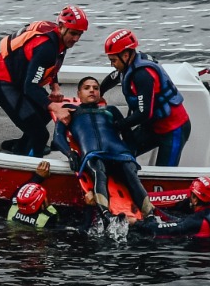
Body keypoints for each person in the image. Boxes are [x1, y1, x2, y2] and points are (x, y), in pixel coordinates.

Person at [0, 5, 88, 157]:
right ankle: (31, 166)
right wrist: (56, 108)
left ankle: (20, 147)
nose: (76, 39)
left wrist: (54, 86)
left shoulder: (57, 37)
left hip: (20, 80)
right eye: (73, 33)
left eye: (80, 34)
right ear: (61, 27)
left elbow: (49, 64)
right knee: (40, 135)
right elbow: (30, 87)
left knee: (45, 113)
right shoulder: (47, 47)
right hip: (3, 84)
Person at [51, 76, 154, 218]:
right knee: (98, 170)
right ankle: (106, 216)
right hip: (93, 154)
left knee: (130, 173)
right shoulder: (70, 110)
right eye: (86, 88)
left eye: (96, 88)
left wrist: (132, 155)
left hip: (120, 153)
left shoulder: (111, 110)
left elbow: (128, 136)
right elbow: (57, 137)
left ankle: (150, 215)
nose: (92, 90)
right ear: (79, 93)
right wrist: (70, 154)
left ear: (100, 93)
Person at [99, 28, 192, 167]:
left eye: (113, 60)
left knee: (164, 173)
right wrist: (99, 93)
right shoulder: (128, 66)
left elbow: (144, 113)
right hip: (153, 127)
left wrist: (117, 126)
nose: (112, 64)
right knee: (120, 154)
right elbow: (113, 78)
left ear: (125, 55)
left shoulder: (142, 76)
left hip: (174, 129)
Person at [131, 176, 210, 240]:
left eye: (191, 194)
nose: (189, 197)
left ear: (195, 199)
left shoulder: (197, 222)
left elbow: (157, 230)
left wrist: (136, 222)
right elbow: (181, 222)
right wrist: (156, 211)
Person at [7, 161, 64, 230]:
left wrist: (38, 177)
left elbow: (17, 195)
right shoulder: (49, 219)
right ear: (42, 206)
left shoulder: (13, 209)